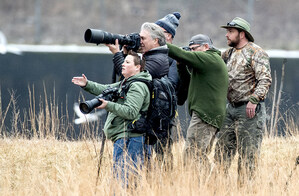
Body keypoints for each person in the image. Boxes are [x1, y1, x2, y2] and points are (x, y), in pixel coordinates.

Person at [72, 51, 152, 187]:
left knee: (124, 182)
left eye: (127, 62)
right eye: (124, 61)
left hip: (131, 139)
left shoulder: (137, 86)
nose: (123, 64)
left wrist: (108, 105)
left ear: (138, 67)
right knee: (123, 180)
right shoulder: (126, 83)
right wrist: (87, 84)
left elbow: (131, 112)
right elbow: (106, 89)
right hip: (125, 138)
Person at [214, 17, 272, 185]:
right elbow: (213, 60)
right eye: (227, 31)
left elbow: (265, 79)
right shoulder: (228, 53)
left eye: (230, 32)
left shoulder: (256, 52)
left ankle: (245, 190)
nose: (226, 35)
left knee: (248, 156)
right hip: (229, 109)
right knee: (222, 153)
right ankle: (217, 188)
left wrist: (254, 100)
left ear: (242, 34)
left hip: (249, 110)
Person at [166, 34, 229, 174]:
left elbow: (180, 54)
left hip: (205, 115)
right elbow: (188, 82)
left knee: (191, 154)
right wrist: (181, 66)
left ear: (206, 47)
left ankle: (214, 178)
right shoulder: (207, 64)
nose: (192, 52)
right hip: (207, 115)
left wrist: (159, 43)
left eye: (194, 49)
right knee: (198, 155)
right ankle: (213, 181)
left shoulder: (210, 58)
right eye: (190, 49)